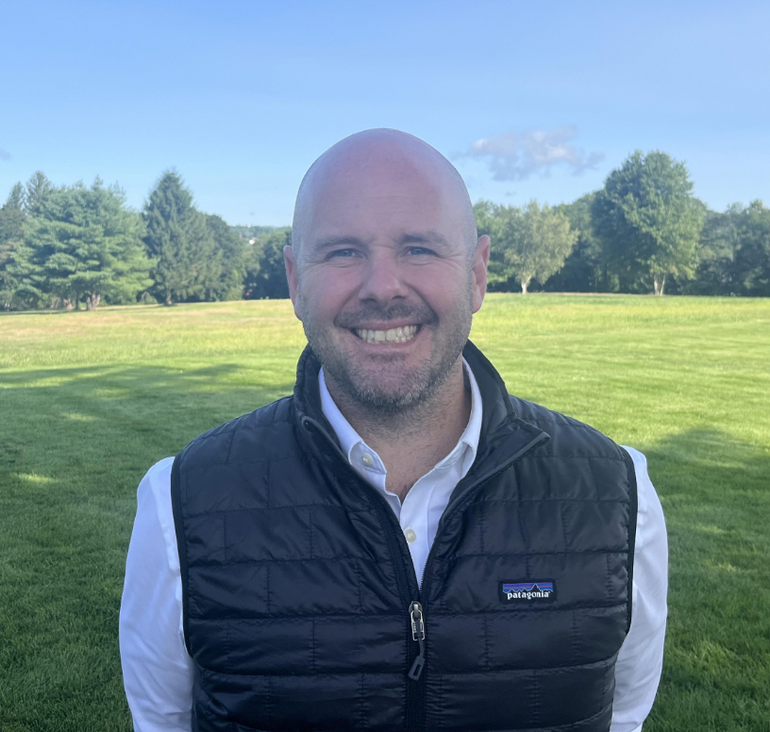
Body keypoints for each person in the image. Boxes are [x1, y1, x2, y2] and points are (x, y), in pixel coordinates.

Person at [120, 129, 667, 732]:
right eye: (343, 252)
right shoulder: (182, 502)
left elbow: (623, 717)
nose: (383, 286)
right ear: (296, 280)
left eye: (420, 249)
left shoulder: (618, 495)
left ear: (478, 274)